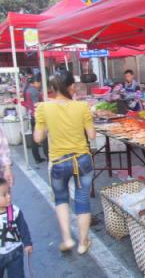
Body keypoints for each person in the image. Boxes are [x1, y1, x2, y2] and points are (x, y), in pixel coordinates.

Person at [34, 70, 96, 255]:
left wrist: (46, 127)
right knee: (82, 200)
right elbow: (92, 136)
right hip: (82, 160)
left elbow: (37, 138)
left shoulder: (43, 108)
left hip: (58, 161)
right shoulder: (82, 106)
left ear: (53, 88)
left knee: (61, 199)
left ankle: (67, 239)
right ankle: (83, 243)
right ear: (71, 86)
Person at [0, 178, 33, 278]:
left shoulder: (15, 211)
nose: (9, 197)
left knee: (17, 275)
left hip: (15, 252)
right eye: (4, 195)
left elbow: (23, 228)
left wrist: (27, 243)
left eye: (9, 192)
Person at [23, 73, 48, 164]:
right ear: (35, 82)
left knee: (35, 137)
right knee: (45, 137)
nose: (40, 84)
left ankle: (37, 157)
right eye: (39, 82)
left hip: (32, 115)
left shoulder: (28, 89)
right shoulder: (33, 91)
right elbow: (36, 104)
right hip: (38, 116)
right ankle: (47, 156)